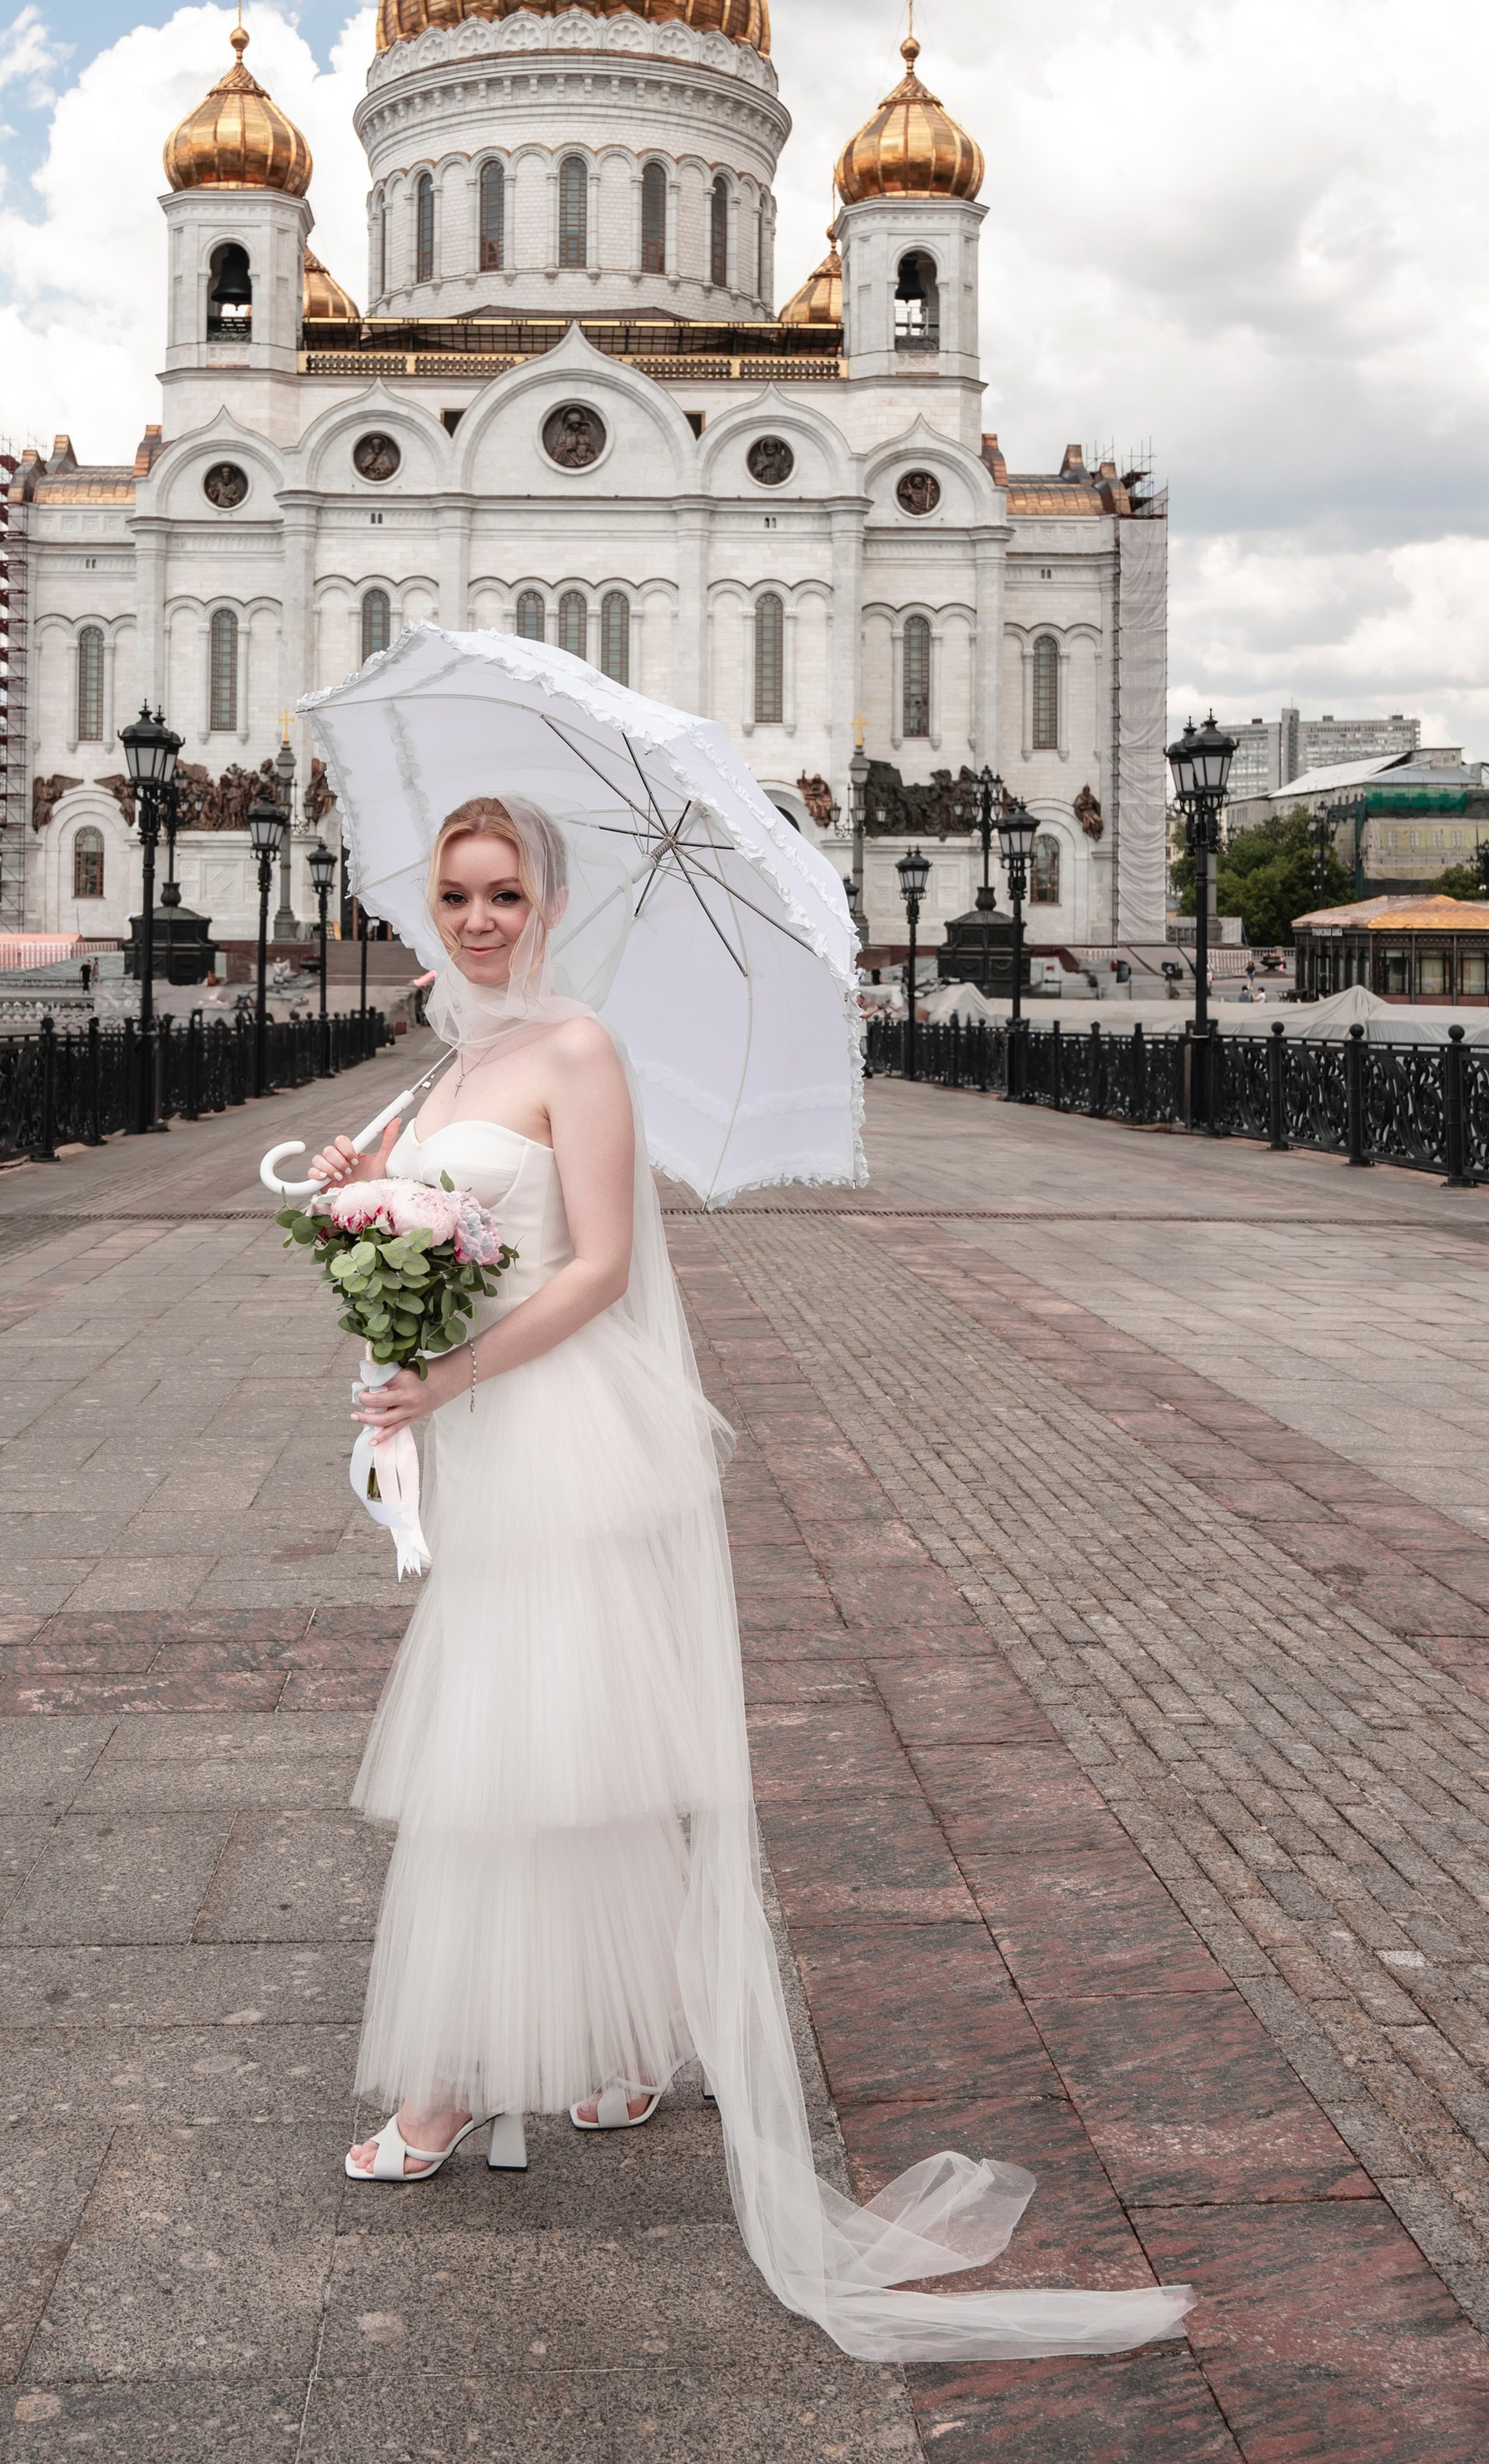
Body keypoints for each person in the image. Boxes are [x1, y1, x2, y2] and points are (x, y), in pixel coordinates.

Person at [303, 794, 1191, 2367]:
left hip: (551, 1425)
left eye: (506, 893)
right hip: (486, 1423)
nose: (482, 918)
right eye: (457, 894)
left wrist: (442, 1370)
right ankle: (629, 2052)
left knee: (506, 1741)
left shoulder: (575, 1051)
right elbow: (447, 1224)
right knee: (575, 1734)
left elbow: (600, 1269)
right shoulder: (454, 1054)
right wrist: (368, 1210)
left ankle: (445, 2085)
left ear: (552, 901)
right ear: (428, 903)